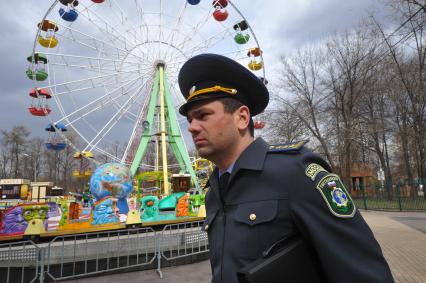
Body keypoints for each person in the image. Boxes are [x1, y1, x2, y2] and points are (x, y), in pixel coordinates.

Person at [178, 53, 394, 283]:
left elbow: (363, 272)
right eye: (190, 119)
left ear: (242, 118)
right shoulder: (214, 191)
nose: (192, 127)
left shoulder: (296, 173)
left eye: (203, 115)